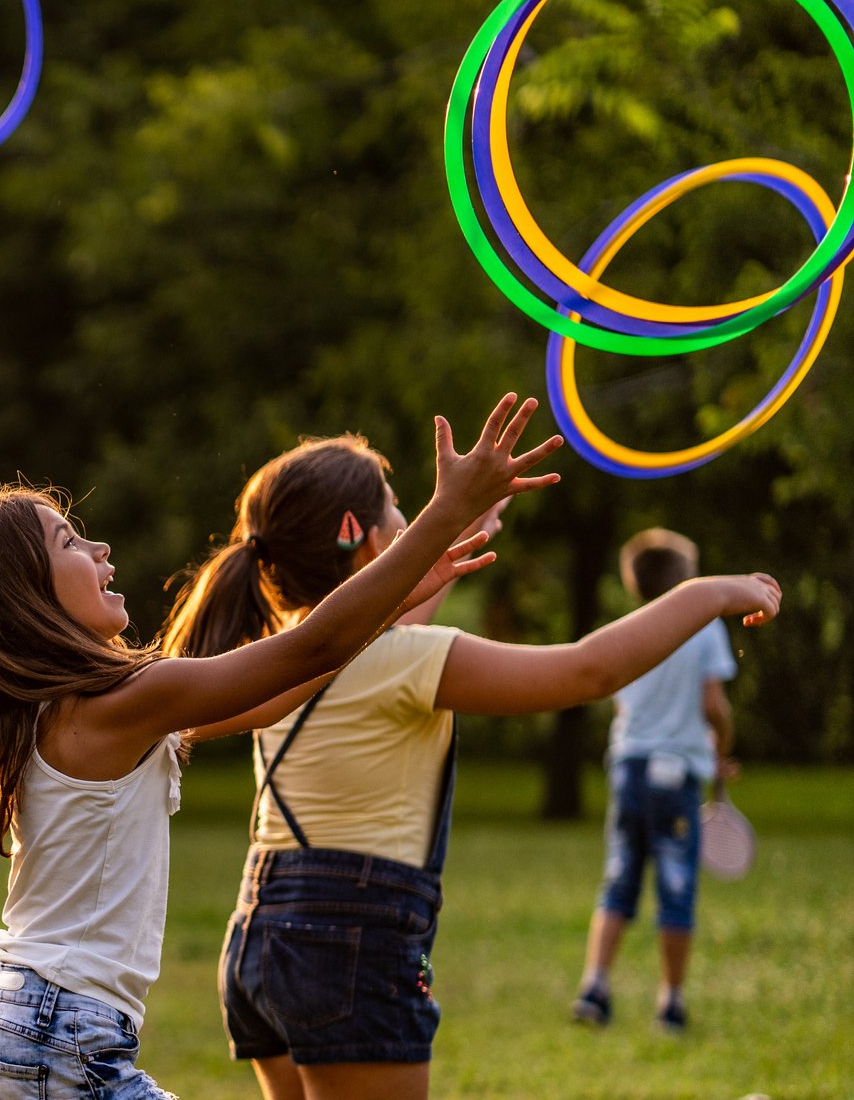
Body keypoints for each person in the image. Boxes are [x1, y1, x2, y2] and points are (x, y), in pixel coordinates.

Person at [0, 395, 563, 1100]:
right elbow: (309, 646)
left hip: (11, 1025)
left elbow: (281, 688)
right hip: (57, 1034)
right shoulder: (122, 702)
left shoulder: (65, 712)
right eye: (68, 542)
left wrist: (397, 603)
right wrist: (441, 516)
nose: (99, 548)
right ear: (26, 595)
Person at [164, 444, 779, 1100]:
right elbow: (589, 668)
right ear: (367, 540)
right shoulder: (401, 658)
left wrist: (474, 519)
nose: (409, 520)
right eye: (400, 510)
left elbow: (381, 618)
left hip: (261, 940)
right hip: (348, 940)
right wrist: (709, 591)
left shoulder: (282, 651)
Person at [570, 528, 743, 1034]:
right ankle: (670, 1004)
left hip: (627, 768)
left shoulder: (628, 626)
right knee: (676, 886)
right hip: (676, 774)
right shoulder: (705, 628)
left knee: (619, 878)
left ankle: (594, 988)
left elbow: (622, 700)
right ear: (685, 582)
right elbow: (714, 706)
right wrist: (721, 748)